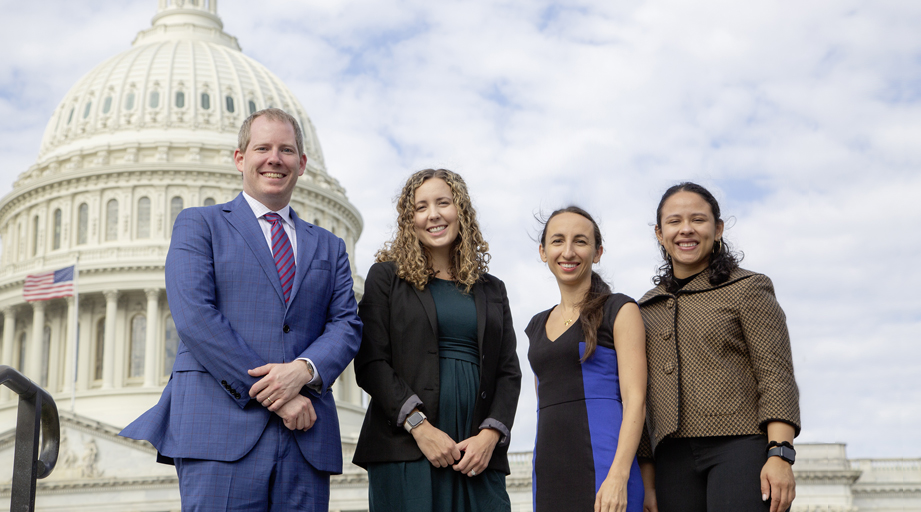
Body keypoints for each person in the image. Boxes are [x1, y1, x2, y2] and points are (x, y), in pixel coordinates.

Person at [120, 108, 362, 512]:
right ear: (240, 158)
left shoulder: (329, 246)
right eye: (262, 148)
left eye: (286, 150)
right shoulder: (200, 225)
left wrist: (302, 371)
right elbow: (196, 316)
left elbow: (347, 325)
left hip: (306, 439)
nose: (274, 159)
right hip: (220, 431)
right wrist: (277, 394)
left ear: (301, 164)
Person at [352, 168, 522, 511]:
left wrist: (490, 436)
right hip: (405, 447)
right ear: (408, 219)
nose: (433, 215)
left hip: (477, 453)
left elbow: (508, 371)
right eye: (421, 207)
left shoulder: (493, 289)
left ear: (461, 210)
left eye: (443, 203)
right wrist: (419, 426)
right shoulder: (386, 278)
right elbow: (371, 362)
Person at [637, 182, 801, 512]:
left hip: (740, 449)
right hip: (671, 459)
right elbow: (639, 395)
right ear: (659, 233)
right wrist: (648, 482)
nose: (686, 230)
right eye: (674, 221)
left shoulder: (749, 287)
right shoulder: (644, 308)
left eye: (698, 219)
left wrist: (780, 453)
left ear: (718, 228)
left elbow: (776, 376)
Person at [526, 206, 646, 512]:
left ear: (597, 252)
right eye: (557, 241)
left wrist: (618, 476)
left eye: (580, 241)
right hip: (549, 474)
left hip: (606, 468)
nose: (568, 251)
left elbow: (636, 400)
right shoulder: (536, 325)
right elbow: (543, 404)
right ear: (543, 251)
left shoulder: (620, 309)